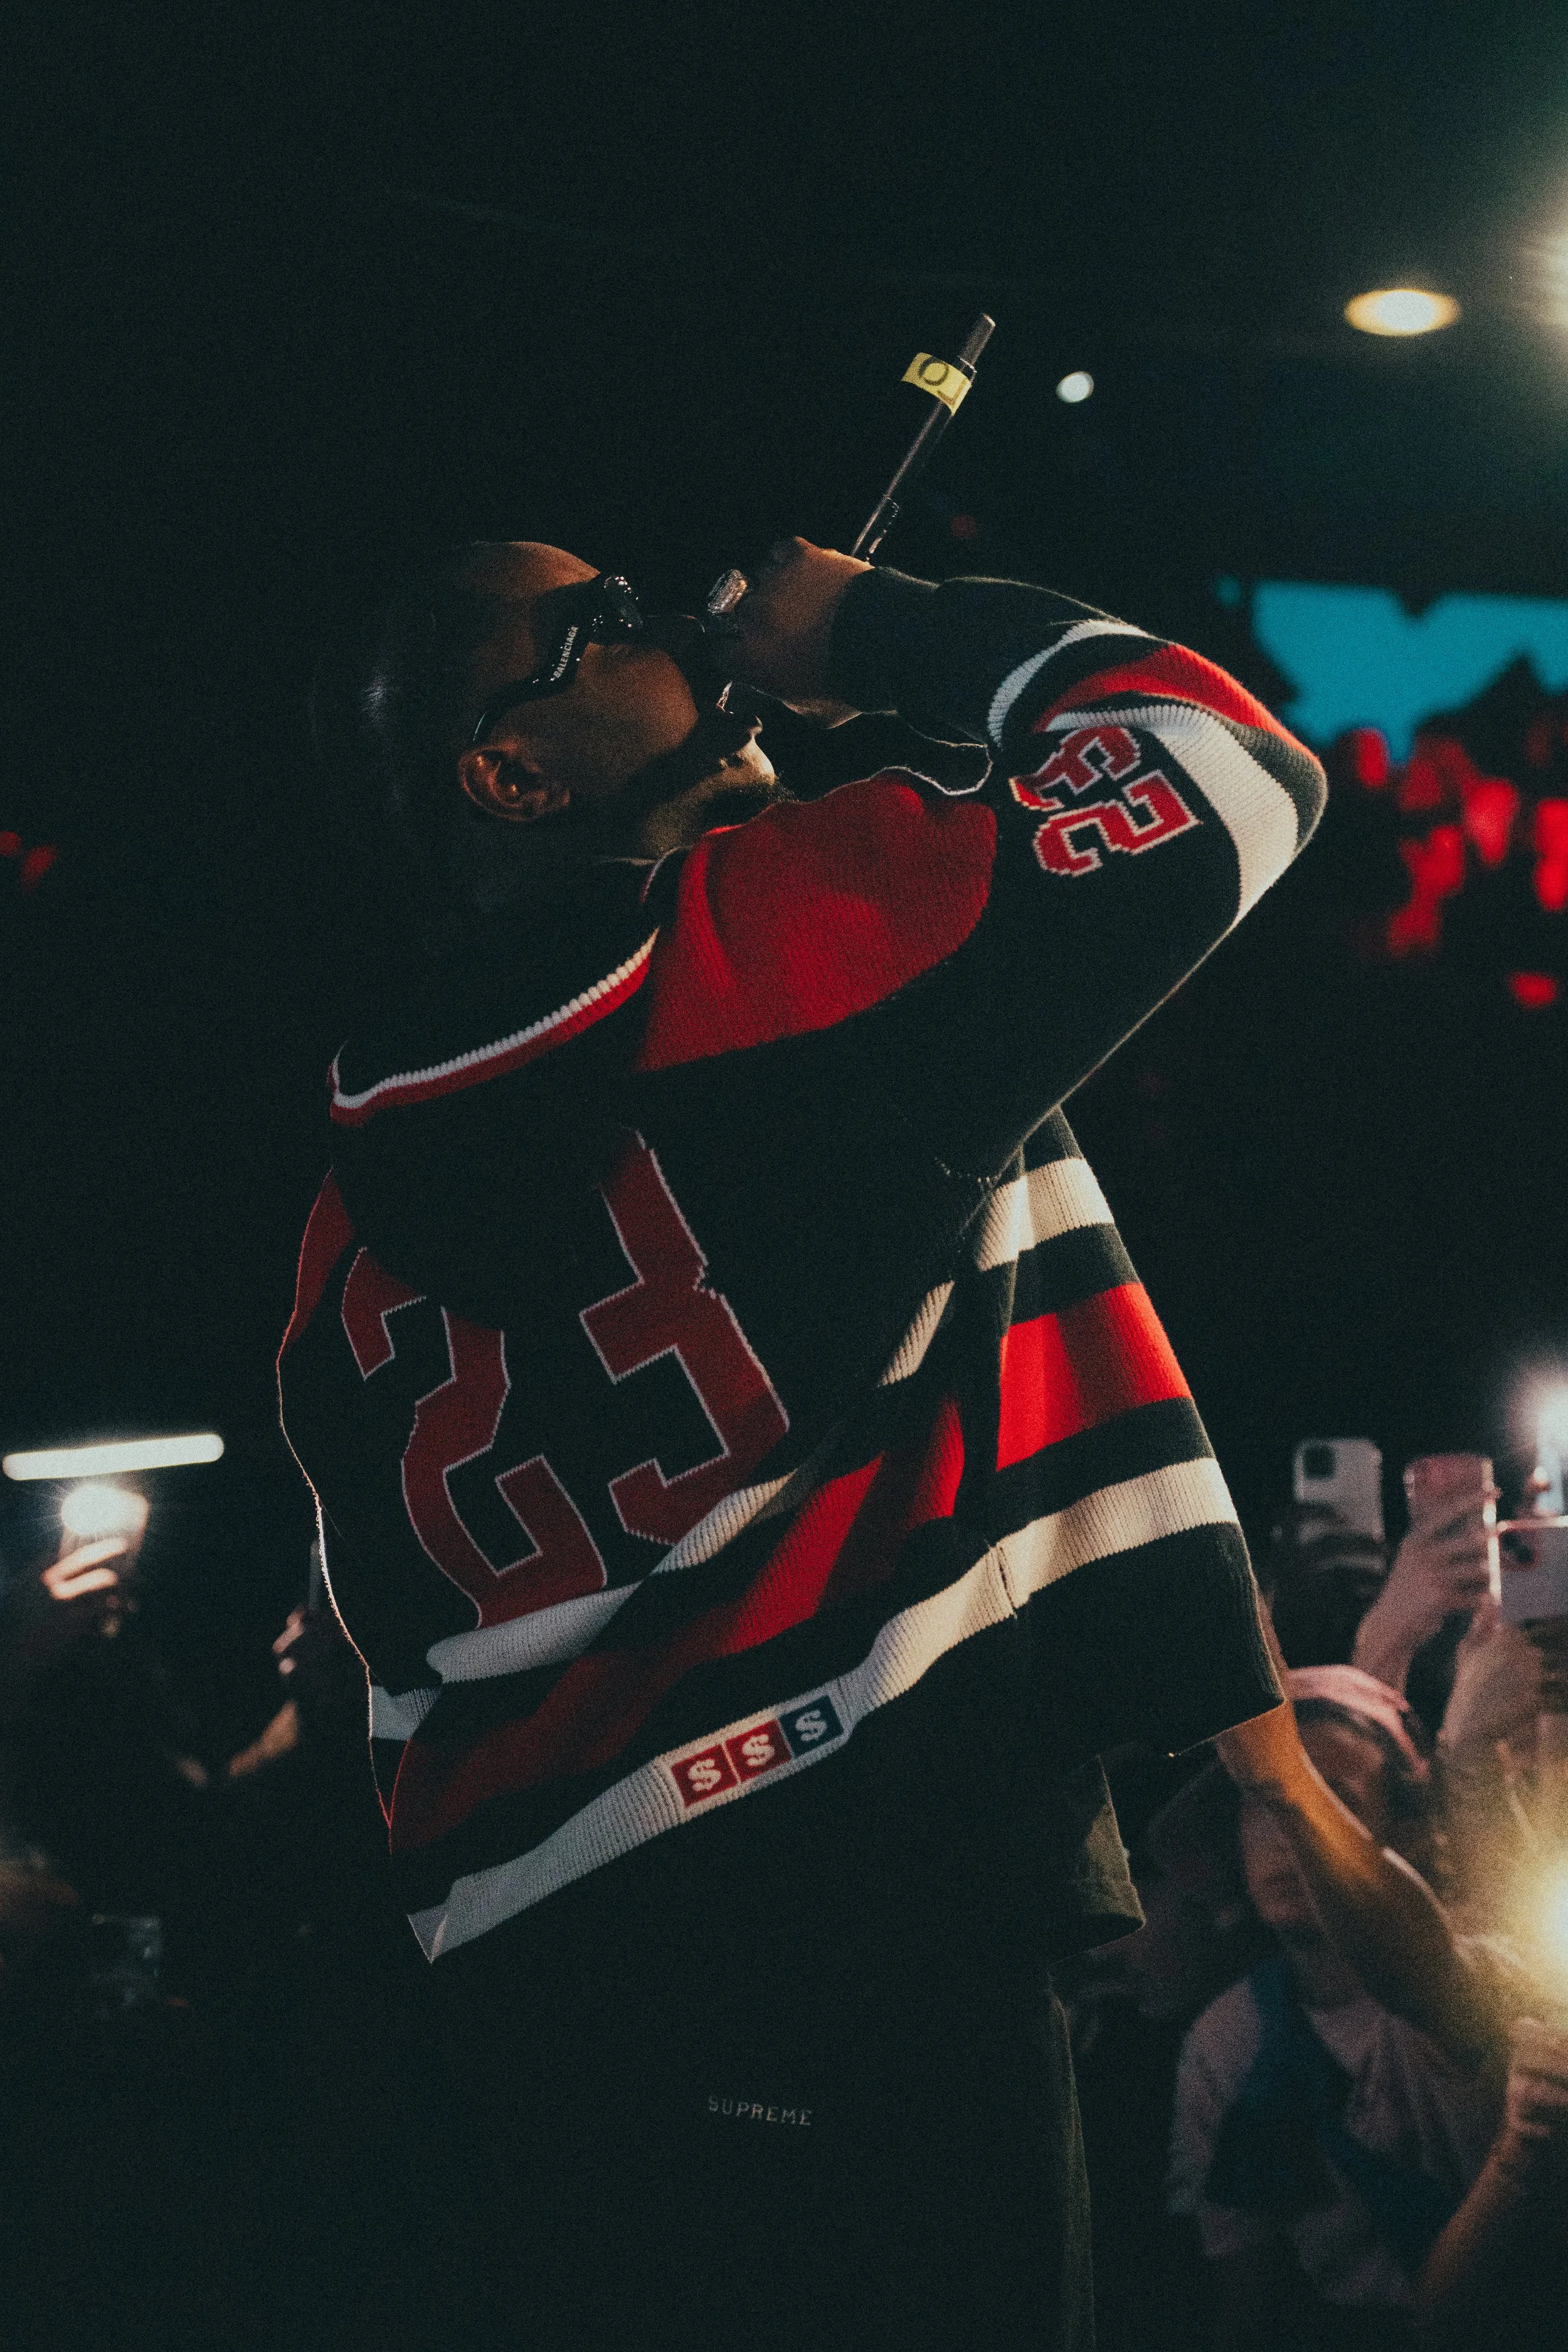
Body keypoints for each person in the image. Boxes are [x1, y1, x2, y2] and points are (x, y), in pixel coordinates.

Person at [281, 532, 1342, 2347]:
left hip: (527, 2000)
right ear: (511, 770)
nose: (691, 634)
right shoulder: (766, 943)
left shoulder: (334, 1221)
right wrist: (882, 625)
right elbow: (1222, 755)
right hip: (858, 1928)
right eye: (607, 627)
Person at [1172, 1665, 1530, 2350]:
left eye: (1335, 1800)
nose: (1284, 1832)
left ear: (1414, 1835)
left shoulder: (1489, 1976)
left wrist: (1284, 1780)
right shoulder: (1229, 2038)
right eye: (1257, 1803)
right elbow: (1248, 2309)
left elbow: (1424, 1980)